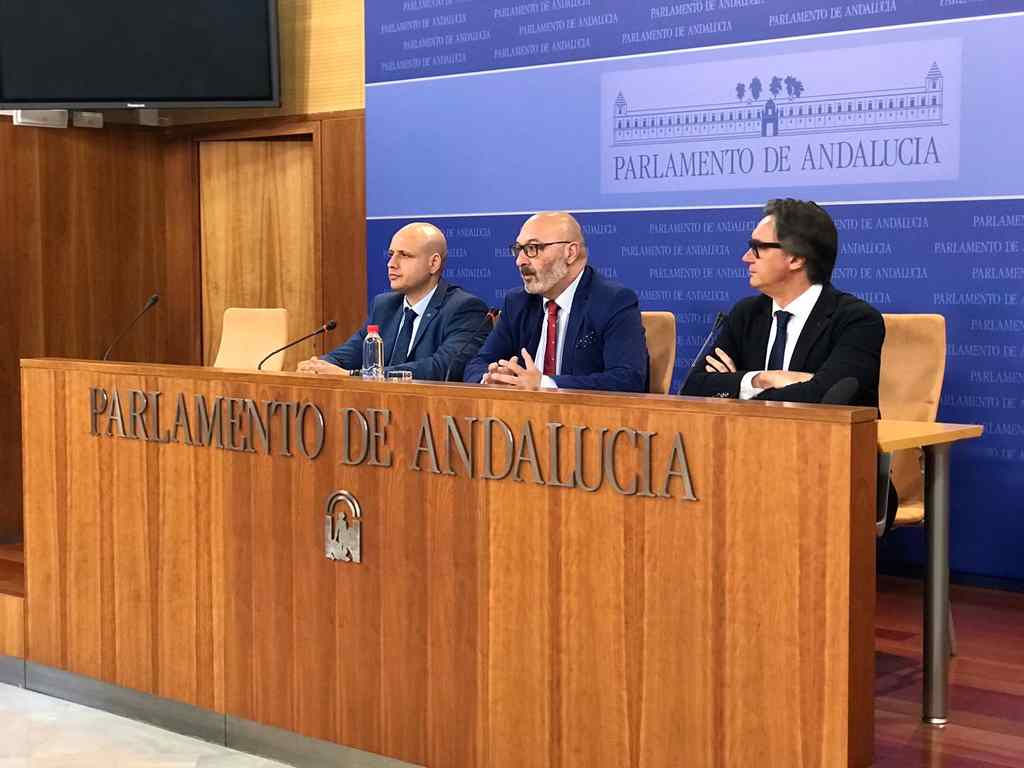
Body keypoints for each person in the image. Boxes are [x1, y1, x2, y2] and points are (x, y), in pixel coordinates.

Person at [680, 198, 884, 407]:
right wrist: (762, 379)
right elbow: (693, 388)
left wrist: (736, 390)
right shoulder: (746, 314)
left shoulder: (857, 320)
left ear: (795, 259)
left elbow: (826, 397)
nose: (746, 257)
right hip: (747, 438)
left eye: (758, 247)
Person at [463, 211, 648, 392]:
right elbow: (477, 365)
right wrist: (492, 378)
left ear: (571, 252)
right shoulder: (518, 302)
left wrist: (544, 384)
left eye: (532, 249)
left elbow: (627, 379)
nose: (520, 261)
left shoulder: (613, 301)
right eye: (518, 249)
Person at [298, 222, 489, 380]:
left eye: (404, 255)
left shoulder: (465, 309)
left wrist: (352, 375)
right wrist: (318, 366)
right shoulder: (384, 306)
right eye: (391, 254)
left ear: (434, 263)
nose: (391, 263)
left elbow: (440, 369)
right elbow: (349, 353)